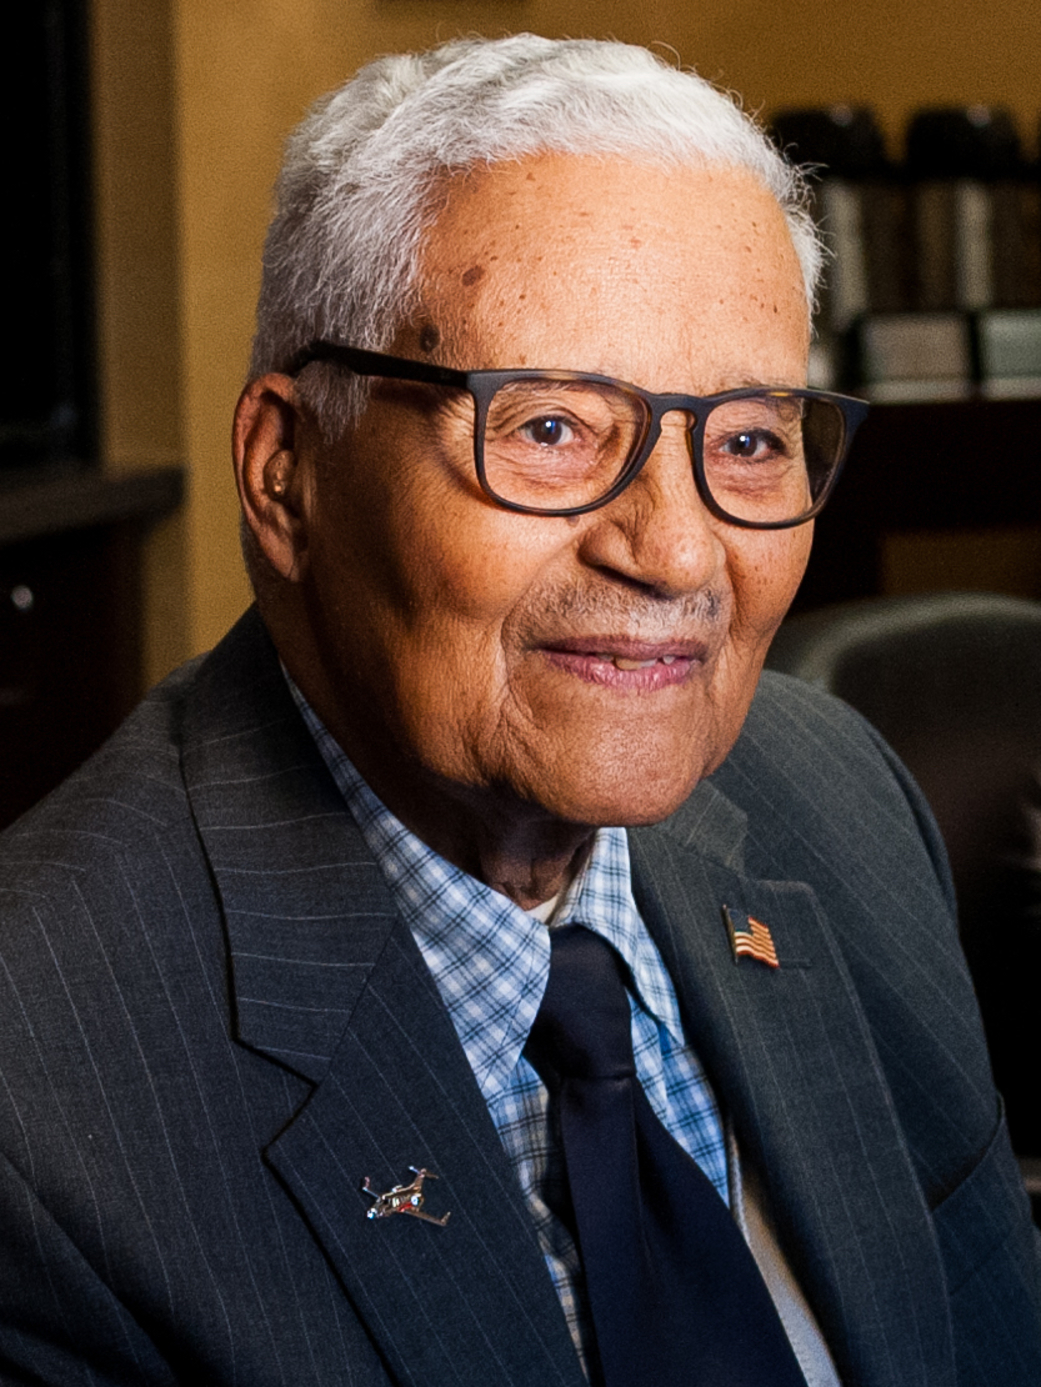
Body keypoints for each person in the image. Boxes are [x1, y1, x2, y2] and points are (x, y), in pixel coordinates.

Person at [0, 33, 1036, 1387]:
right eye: (547, 426)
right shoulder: (42, 1098)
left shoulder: (834, 791)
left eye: (747, 439)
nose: (672, 553)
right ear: (284, 470)